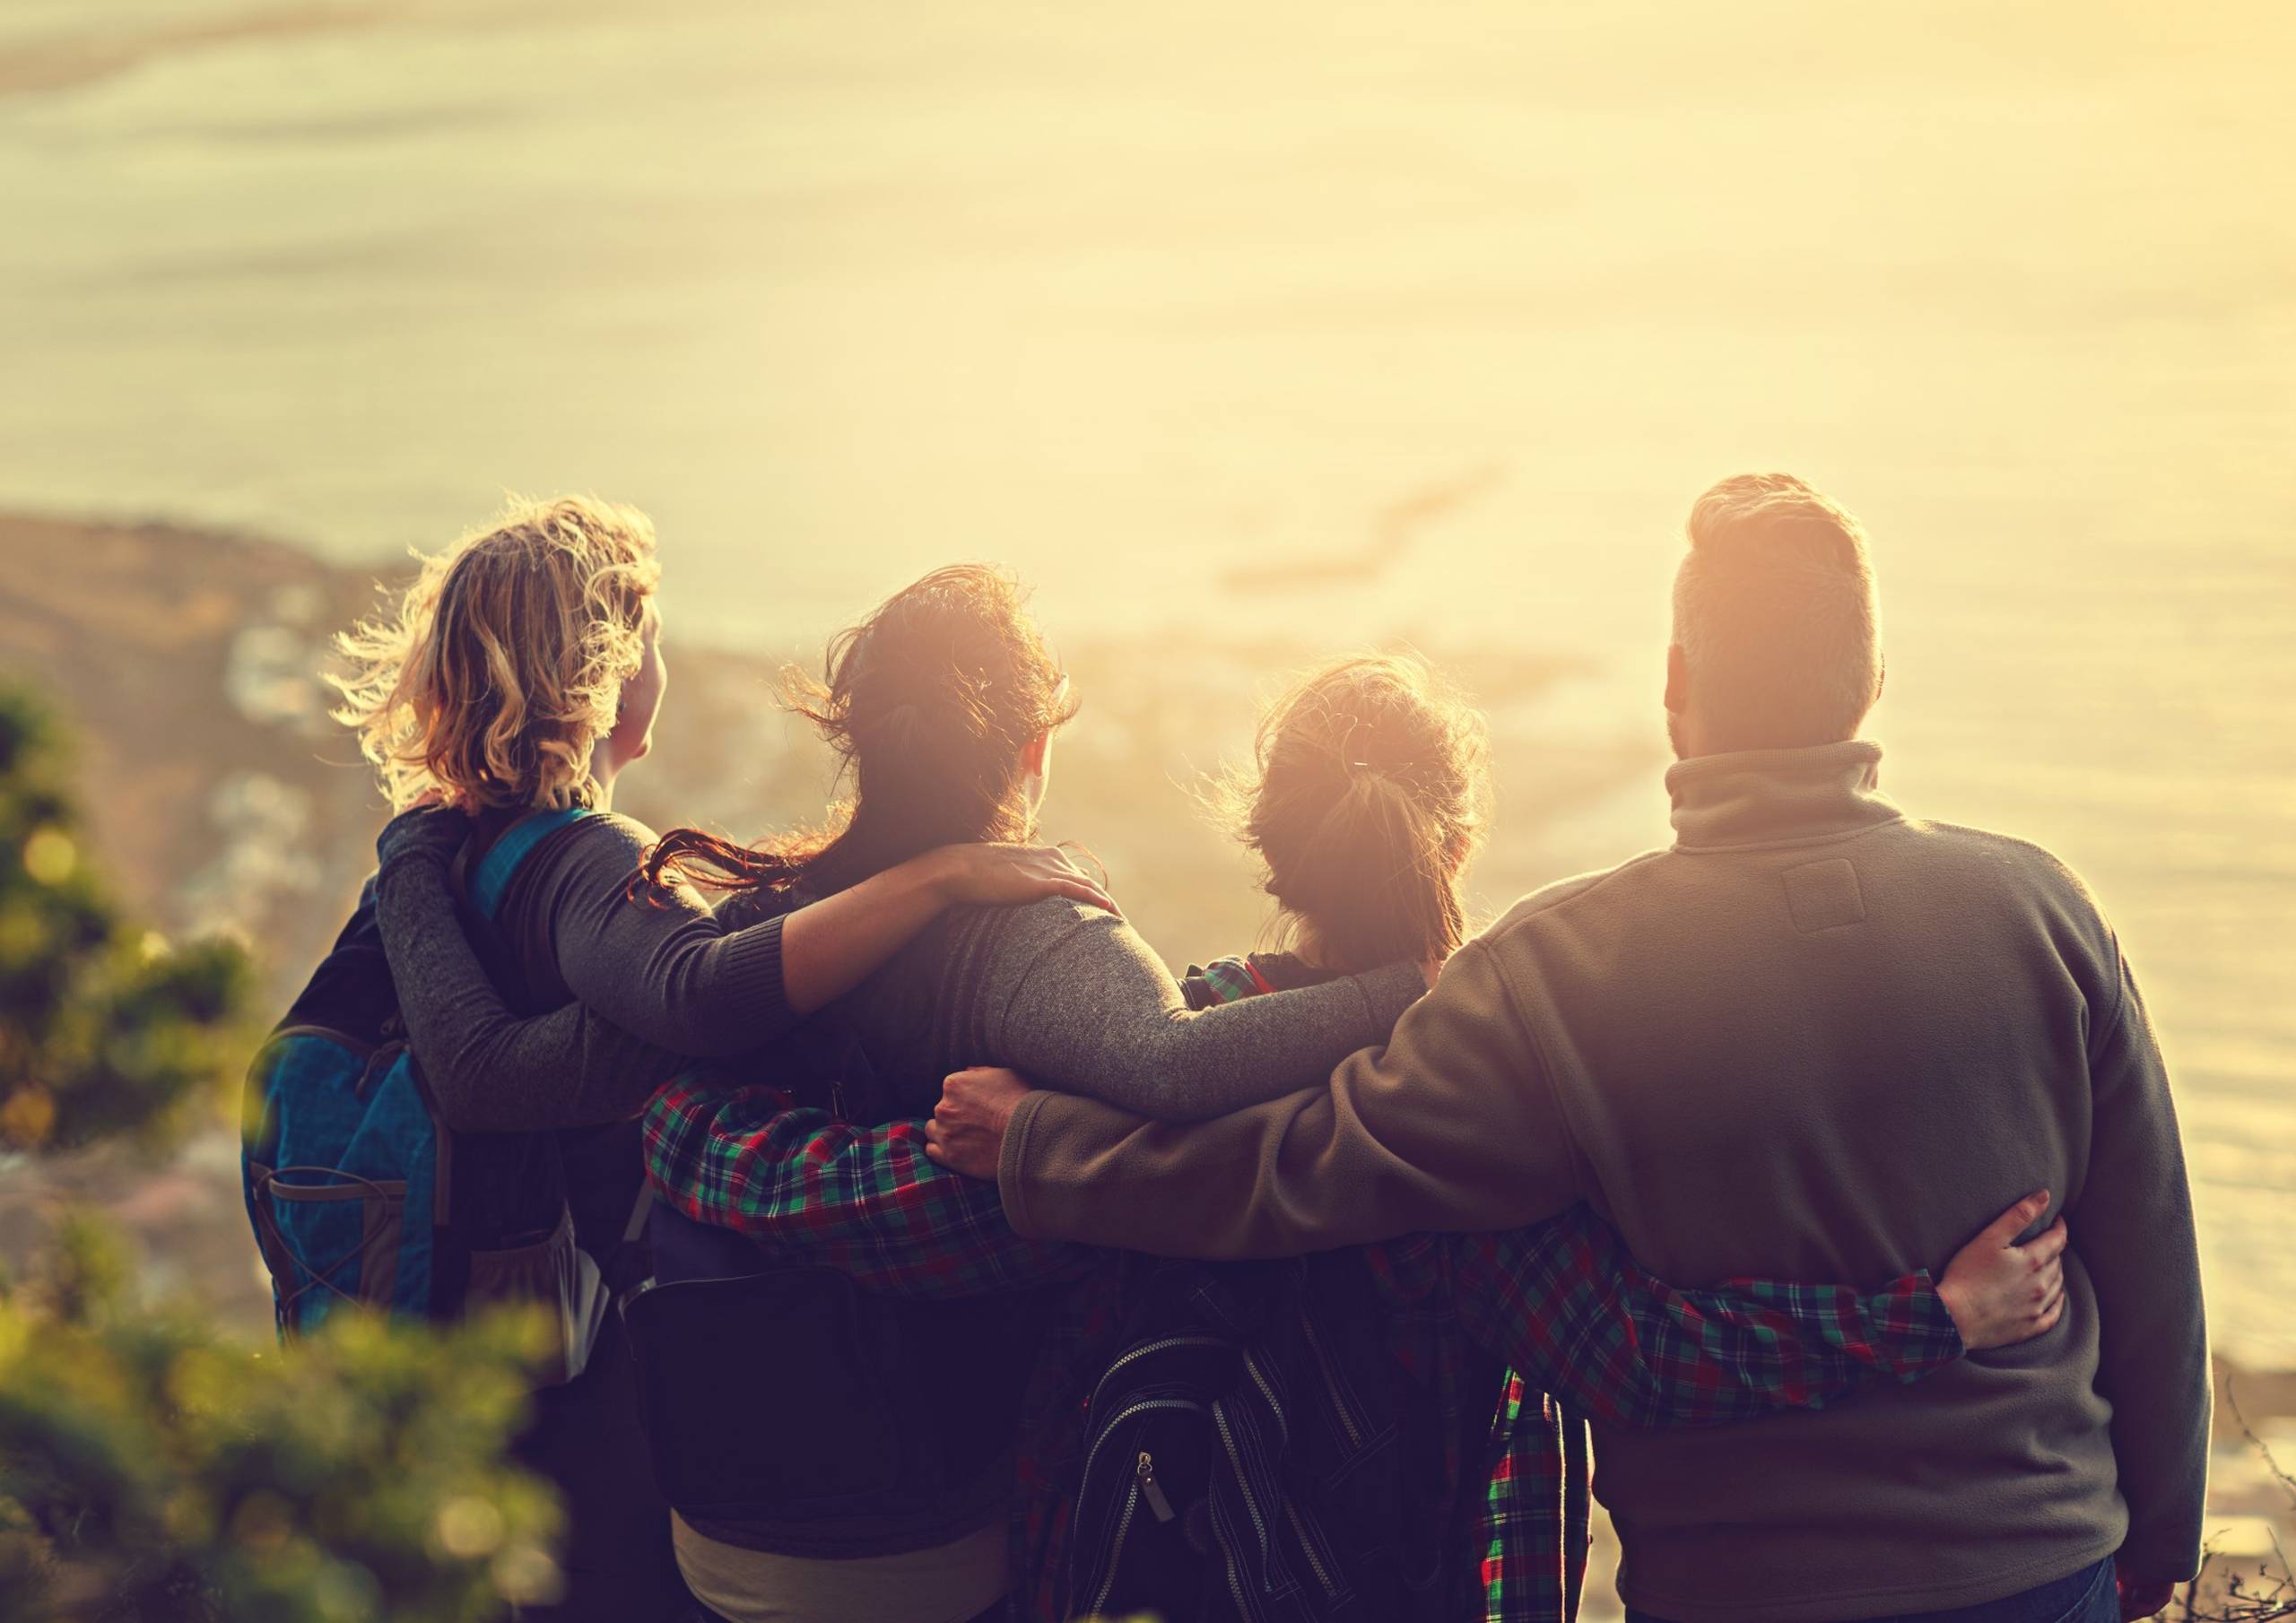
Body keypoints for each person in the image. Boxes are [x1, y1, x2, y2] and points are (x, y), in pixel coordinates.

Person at [929, 475, 2211, 1623]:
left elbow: (1301, 1168)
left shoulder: (1563, 971)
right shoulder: (2042, 908)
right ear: (1872, 679)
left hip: (1741, 1591)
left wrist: (1048, 1148)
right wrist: (2165, 1525)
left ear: (1674, 685)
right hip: (2045, 1568)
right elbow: (2148, 1243)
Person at [631, 645, 2066, 1619]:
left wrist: (683, 1104)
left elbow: (883, 1201)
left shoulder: (1117, 1091)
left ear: (1265, 842)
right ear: (1454, 842)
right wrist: (1928, 1315)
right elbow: (1645, 1351)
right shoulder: (1496, 1098)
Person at [372, 563, 1439, 1623]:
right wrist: (1417, 986)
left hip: (716, 1517)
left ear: (854, 739)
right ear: (1033, 748)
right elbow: (1176, 1064)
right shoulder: (1032, 934)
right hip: (927, 1536)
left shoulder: (764, 925)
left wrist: (412, 856)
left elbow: (530, 1067)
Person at [335, 500, 1114, 1623]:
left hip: (526, 1342)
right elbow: (673, 1006)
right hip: (627, 1379)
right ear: (605, 667)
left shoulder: (464, 848)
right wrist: (938, 879)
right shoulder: (589, 857)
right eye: (648, 637)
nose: (664, 660)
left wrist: (405, 855)